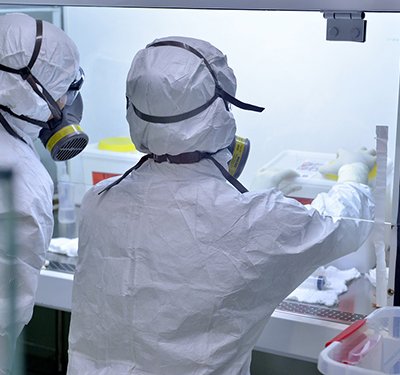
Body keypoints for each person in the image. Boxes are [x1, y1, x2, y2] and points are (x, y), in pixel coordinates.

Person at [67, 36, 374, 375]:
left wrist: (259, 188)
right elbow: (342, 225)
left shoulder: (99, 201)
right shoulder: (255, 220)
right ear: (221, 112)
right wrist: (354, 173)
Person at [0, 13, 86, 374]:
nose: (68, 102)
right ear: (29, 89)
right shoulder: (21, 175)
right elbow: (8, 313)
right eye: (66, 86)